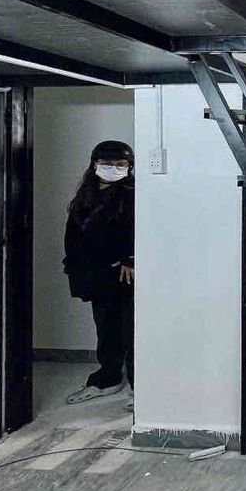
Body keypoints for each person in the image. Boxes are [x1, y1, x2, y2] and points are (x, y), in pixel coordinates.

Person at [62, 140, 135, 409]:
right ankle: (108, 378)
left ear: (129, 167)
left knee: (131, 329)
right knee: (106, 327)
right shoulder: (86, 194)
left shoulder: (131, 194)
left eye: (120, 164)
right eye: (107, 164)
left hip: (123, 274)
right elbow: (75, 233)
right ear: (95, 164)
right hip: (95, 273)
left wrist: (130, 259)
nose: (113, 169)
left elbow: (137, 229)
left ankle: (141, 390)